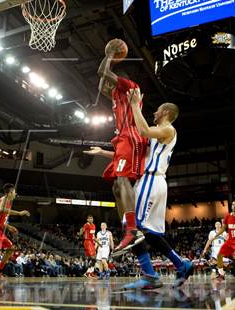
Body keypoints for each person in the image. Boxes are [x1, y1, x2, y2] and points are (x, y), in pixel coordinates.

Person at [120, 87, 193, 289]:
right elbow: (138, 144)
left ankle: (149, 275)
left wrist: (135, 104)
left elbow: (143, 129)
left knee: (133, 227)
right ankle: (181, 264)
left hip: (152, 182)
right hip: (152, 182)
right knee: (149, 233)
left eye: (157, 110)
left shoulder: (169, 129)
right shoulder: (156, 136)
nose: (154, 113)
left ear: (166, 113)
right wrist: (103, 153)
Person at [85, 39, 148, 253]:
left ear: (120, 80)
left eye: (112, 82)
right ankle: (126, 225)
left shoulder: (130, 87)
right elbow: (101, 82)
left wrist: (110, 54)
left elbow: (103, 71)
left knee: (122, 180)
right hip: (121, 139)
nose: (108, 86)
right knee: (115, 186)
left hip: (131, 136)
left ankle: (132, 228)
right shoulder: (114, 94)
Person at [202, 201, 235, 280]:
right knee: (217, 258)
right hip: (223, 245)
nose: (234, 205)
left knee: (227, 261)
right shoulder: (212, 232)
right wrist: (205, 249)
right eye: (233, 204)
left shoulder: (224, 233)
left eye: (219, 224)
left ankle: (225, 270)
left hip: (229, 243)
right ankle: (220, 273)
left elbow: (226, 236)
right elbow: (223, 229)